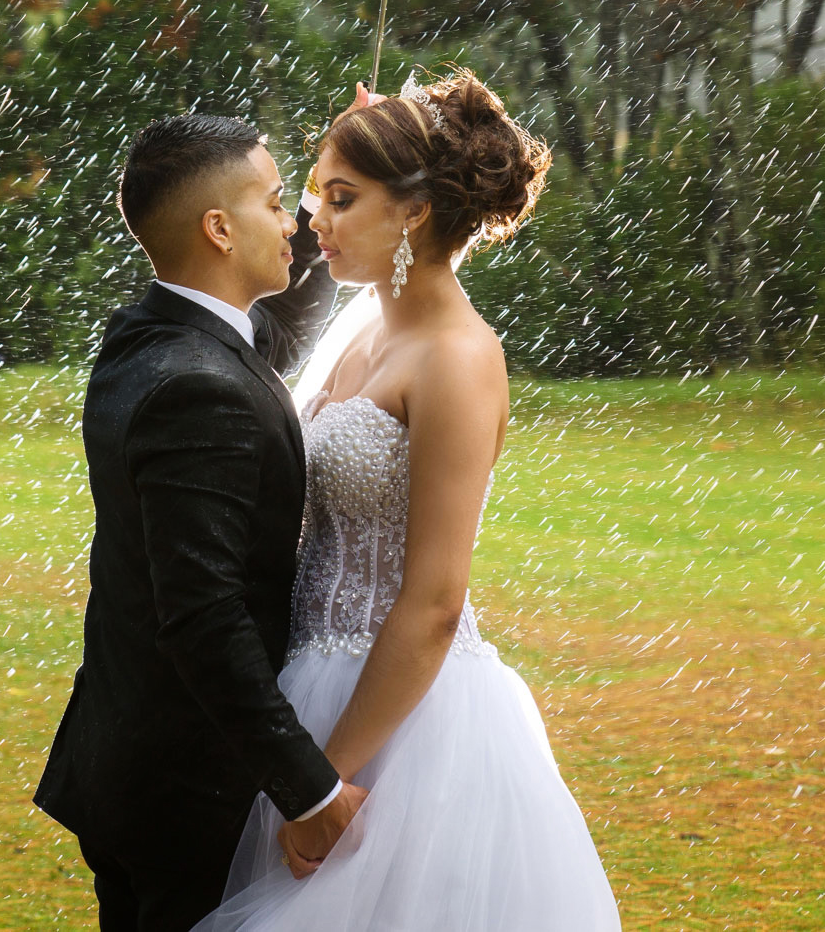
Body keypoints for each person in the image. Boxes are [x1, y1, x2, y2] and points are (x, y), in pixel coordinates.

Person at [194, 69, 621, 930]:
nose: (313, 216)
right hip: (303, 679)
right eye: (314, 192)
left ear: (415, 211)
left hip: (402, 719)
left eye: (341, 197)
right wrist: (374, 139)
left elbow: (432, 599)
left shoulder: (458, 358)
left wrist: (323, 781)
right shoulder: (363, 324)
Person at [33, 111, 369, 932]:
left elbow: (266, 344)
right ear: (219, 229)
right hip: (186, 792)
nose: (297, 220)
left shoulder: (150, 337)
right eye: (277, 200)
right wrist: (311, 789)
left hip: (127, 756)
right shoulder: (198, 385)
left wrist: (324, 230)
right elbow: (203, 615)